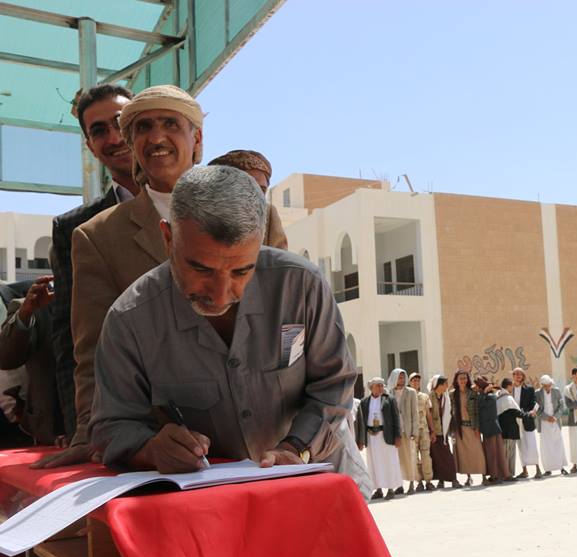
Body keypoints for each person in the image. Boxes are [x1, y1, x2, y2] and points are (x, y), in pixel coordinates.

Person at [87, 166, 370, 495]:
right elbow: (111, 425)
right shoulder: (129, 321)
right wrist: (149, 449)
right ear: (168, 238)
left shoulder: (302, 287)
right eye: (201, 269)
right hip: (218, 505)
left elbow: (334, 384)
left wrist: (296, 448)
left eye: (241, 271)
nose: (221, 294)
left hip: (323, 490)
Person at [66, 85, 289, 469]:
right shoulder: (98, 237)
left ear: (196, 139)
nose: (156, 138)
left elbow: (286, 315)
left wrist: (299, 429)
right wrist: (93, 435)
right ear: (131, 143)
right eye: (143, 128)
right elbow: (92, 351)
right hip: (171, 448)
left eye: (170, 124)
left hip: (267, 443)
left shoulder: (259, 213)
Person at [43, 84, 138, 467]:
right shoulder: (76, 229)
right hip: (129, 422)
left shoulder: (203, 202)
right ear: (89, 145)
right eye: (99, 131)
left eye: (121, 123)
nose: (114, 138)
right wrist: (82, 429)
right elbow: (72, 337)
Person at [0, 276, 63, 445]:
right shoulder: (27, 302)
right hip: (39, 434)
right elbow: (6, 358)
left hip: (94, 426)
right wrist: (25, 314)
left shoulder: (106, 301)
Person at [207, 149, 288, 250]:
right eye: (248, 187)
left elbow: (279, 255)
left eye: (262, 190)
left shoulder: (268, 213)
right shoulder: (199, 213)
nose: (256, 196)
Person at [356, 378, 403, 500]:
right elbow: (361, 422)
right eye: (378, 386)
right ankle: (378, 489)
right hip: (371, 436)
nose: (381, 388)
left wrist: (398, 436)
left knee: (388, 462)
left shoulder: (389, 399)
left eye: (382, 385)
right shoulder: (364, 402)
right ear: (372, 388)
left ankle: (391, 488)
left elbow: (396, 418)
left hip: (385, 435)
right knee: (374, 463)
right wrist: (361, 440)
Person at [450, 370, 485, 486]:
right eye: (460, 378)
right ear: (456, 380)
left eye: (465, 378)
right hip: (459, 429)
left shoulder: (473, 393)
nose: (463, 380)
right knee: (464, 455)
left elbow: (476, 411)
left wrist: (477, 428)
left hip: (472, 427)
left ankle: (483, 476)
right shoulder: (452, 394)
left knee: (478, 452)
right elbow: (450, 413)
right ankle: (468, 477)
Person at [387, 368, 420, 495]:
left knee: (409, 457)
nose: (401, 380)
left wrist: (414, 431)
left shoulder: (411, 392)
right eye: (399, 377)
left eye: (403, 377)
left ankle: (411, 484)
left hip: (407, 430)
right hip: (394, 432)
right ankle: (399, 485)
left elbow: (415, 413)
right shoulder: (389, 393)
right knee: (396, 460)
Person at [426, 375, 460, 488]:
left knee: (446, 456)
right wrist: (432, 431)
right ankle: (443, 480)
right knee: (437, 457)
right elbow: (428, 415)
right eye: (445, 384)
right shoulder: (430, 396)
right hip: (434, 431)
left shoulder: (445, 397)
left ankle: (452, 478)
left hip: (443, 431)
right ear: (438, 385)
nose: (447, 386)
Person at [476, 377, 510, 484]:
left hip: (491, 429)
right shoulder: (485, 396)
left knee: (493, 454)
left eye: (478, 387)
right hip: (490, 429)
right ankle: (498, 475)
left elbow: (480, 405)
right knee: (494, 453)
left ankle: (496, 476)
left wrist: (484, 393)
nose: (476, 388)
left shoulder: (490, 397)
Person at [511, 368, 541, 478]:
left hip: (527, 419)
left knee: (531, 443)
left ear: (523, 376)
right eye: (516, 374)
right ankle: (524, 470)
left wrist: (533, 411)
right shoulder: (510, 389)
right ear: (513, 376)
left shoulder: (529, 389)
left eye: (520, 374)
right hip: (515, 421)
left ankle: (538, 469)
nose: (518, 376)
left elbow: (534, 402)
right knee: (520, 445)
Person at [535, 375, 568, 476]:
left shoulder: (556, 391)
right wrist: (546, 417)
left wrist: (555, 417)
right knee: (546, 446)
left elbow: (561, 406)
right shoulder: (537, 393)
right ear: (542, 385)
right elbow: (536, 409)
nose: (547, 387)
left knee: (558, 444)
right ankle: (548, 469)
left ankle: (561, 467)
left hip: (555, 421)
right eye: (545, 386)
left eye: (549, 385)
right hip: (544, 422)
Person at [408, 373, 435, 492]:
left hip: (424, 431)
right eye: (413, 380)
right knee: (414, 458)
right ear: (410, 382)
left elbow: (428, 414)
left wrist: (432, 430)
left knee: (426, 457)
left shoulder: (424, 397)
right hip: (412, 432)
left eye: (418, 380)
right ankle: (419, 481)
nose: (416, 382)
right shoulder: (407, 396)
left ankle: (428, 481)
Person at [498, 378, 522, 478]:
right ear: (508, 386)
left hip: (504, 431)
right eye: (512, 385)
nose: (513, 387)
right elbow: (517, 412)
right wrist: (528, 415)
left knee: (506, 453)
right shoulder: (508, 398)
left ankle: (507, 473)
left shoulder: (499, 397)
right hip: (510, 431)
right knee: (509, 454)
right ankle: (508, 474)